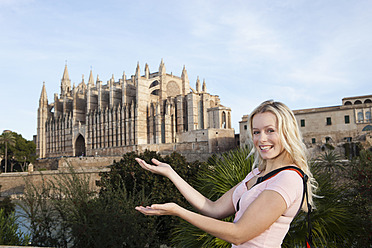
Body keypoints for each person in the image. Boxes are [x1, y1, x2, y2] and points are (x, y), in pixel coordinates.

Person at [135, 100, 317, 247]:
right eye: (256, 132)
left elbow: (239, 234)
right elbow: (213, 209)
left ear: (287, 132)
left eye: (270, 131)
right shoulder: (257, 173)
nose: (261, 139)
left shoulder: (287, 179)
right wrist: (171, 173)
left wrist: (178, 211)